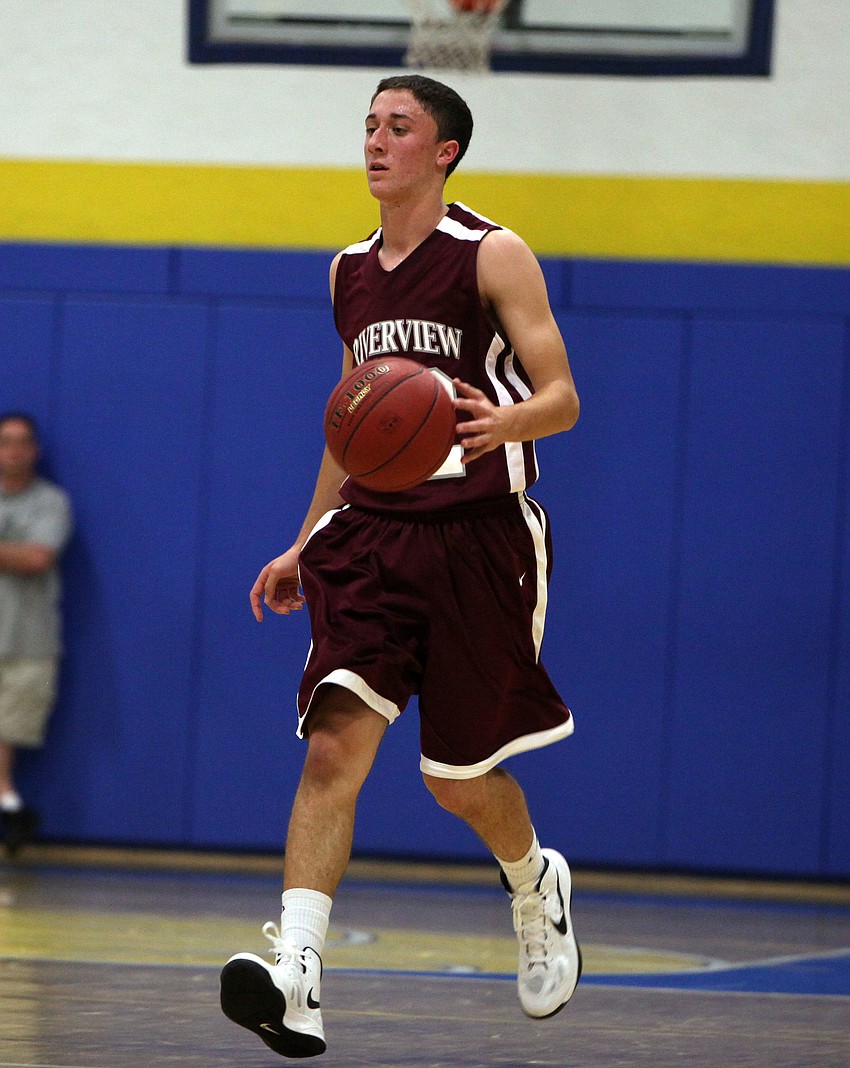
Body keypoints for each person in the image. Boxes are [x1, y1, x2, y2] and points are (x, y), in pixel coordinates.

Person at [220, 74, 581, 1059]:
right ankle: (297, 975)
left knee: (456, 780)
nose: (376, 142)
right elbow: (351, 424)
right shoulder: (348, 271)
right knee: (332, 748)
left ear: (444, 150)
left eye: (399, 127)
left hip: (478, 539)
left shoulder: (491, 253)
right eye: (369, 126)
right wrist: (307, 538)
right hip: (373, 537)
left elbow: (562, 397)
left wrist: (509, 420)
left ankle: (533, 883)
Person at [0, 412, 73, 856]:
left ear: (35, 450)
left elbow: (37, 558)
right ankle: (10, 805)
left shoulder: (50, 502)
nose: (13, 450)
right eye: (5, 441)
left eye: (21, 441)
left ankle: (10, 805)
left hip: (27, 639)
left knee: (9, 728)